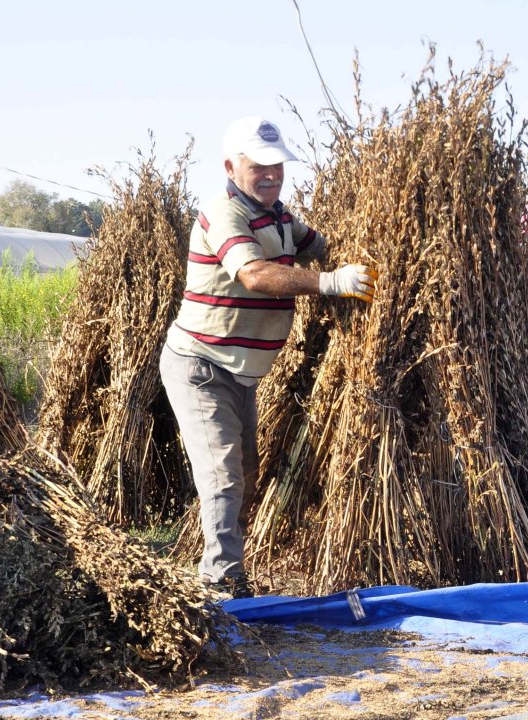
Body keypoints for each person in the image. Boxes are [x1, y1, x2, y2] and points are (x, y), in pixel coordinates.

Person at [160, 116, 376, 598]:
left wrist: (370, 250)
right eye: (259, 165)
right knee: (223, 473)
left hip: (241, 373)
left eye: (277, 165)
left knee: (246, 473)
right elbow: (254, 274)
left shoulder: (279, 216)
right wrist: (330, 283)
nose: (271, 174)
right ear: (231, 166)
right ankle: (221, 584)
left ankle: (223, 561)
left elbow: (319, 245)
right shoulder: (223, 214)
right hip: (200, 364)